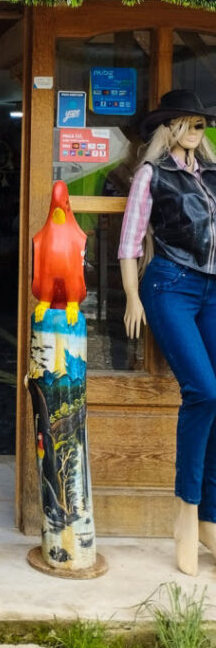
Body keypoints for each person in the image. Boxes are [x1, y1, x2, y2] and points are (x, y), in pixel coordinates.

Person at [119, 89, 216, 576]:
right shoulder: (151, 173)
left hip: (212, 289)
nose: (198, 132)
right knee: (204, 390)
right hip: (170, 285)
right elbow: (130, 243)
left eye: (202, 124)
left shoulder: (212, 175)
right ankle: (186, 511)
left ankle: (210, 518)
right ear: (170, 127)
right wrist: (132, 297)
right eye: (190, 123)